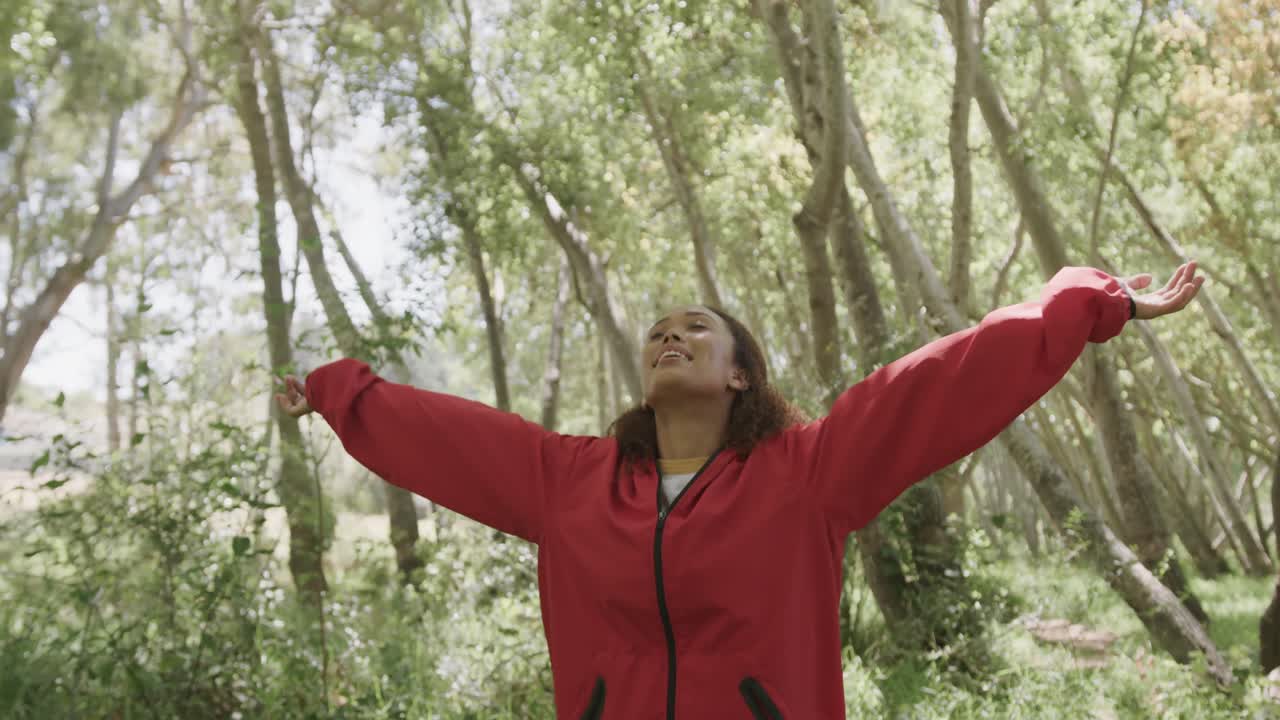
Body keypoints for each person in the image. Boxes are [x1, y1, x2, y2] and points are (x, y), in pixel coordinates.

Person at [277, 263, 1204, 719]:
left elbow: (948, 377)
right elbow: (441, 438)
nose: (668, 338)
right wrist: (332, 392)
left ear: (740, 376)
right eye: (657, 334)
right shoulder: (568, 483)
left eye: (696, 331)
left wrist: (1096, 301)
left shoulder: (808, 474)